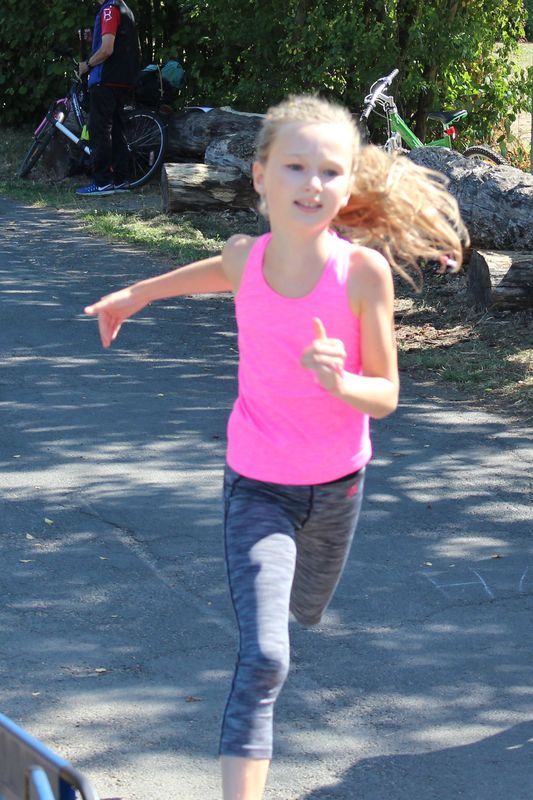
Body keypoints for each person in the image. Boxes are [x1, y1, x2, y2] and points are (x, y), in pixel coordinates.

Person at [84, 94, 467, 799]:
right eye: (294, 166)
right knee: (265, 658)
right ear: (259, 175)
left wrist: (341, 382)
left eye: (329, 171)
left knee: (306, 610)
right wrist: (133, 295)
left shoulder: (362, 275)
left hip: (337, 489)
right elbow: (202, 274)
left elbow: (385, 394)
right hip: (256, 485)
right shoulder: (244, 259)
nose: (311, 183)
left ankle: (291, 591)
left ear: (346, 188)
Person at [76, 0, 139, 196]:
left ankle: (102, 181)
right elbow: (117, 41)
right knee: (118, 130)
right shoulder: (124, 8)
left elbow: (107, 49)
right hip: (123, 80)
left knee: (99, 129)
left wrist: (87, 64)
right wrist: (93, 37)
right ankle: (121, 179)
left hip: (105, 79)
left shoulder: (109, 10)